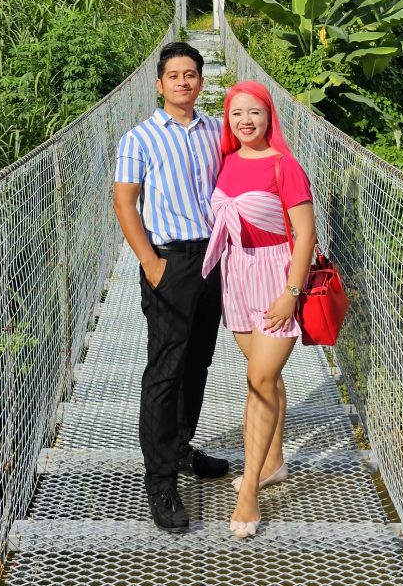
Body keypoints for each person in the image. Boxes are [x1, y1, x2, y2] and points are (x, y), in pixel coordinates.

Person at [113, 41, 230, 534]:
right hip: (171, 261)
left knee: (199, 360)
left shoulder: (216, 132)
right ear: (158, 84)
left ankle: (181, 450)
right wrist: (150, 263)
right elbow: (124, 203)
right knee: (165, 369)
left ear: (201, 82)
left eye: (191, 74)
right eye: (174, 76)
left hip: (214, 259)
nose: (183, 82)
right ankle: (160, 482)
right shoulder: (138, 139)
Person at [200, 81, 316, 539]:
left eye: (255, 113)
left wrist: (292, 292)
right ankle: (274, 462)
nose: (245, 121)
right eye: (236, 115)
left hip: (276, 278)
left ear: (270, 117)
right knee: (265, 375)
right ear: (227, 121)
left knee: (259, 380)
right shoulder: (225, 164)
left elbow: (305, 234)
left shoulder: (286, 167)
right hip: (236, 276)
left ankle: (249, 490)